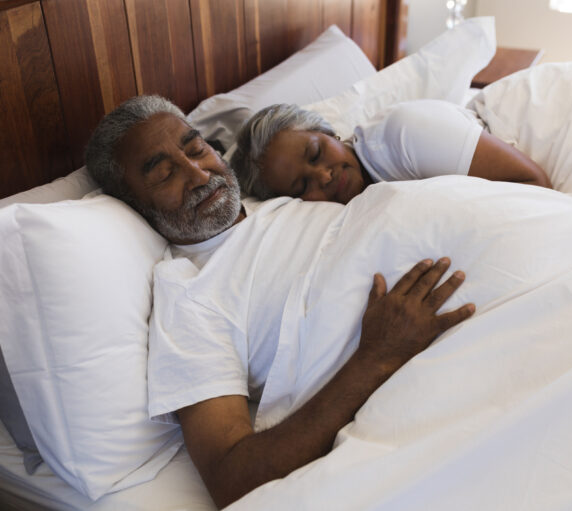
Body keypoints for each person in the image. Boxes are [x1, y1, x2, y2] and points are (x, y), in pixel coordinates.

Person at [85, 95, 475, 509]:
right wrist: (376, 358)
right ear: (135, 206)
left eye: (197, 149)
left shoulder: (273, 197)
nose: (198, 174)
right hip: (439, 348)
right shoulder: (187, 294)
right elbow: (230, 476)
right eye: (165, 174)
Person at [231, 101, 552, 204]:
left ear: (327, 132)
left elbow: (535, 184)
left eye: (316, 154)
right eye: (303, 187)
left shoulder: (404, 133)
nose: (324, 176)